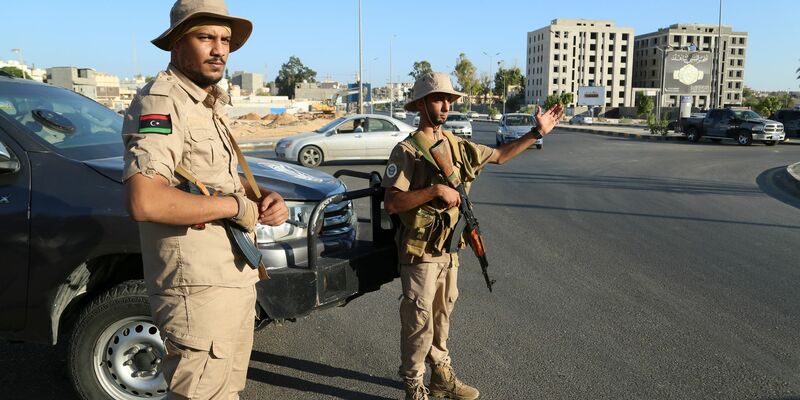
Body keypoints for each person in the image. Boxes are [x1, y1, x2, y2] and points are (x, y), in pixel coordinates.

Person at [122, 0, 288, 399]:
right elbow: (146, 200)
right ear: (177, 44)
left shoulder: (208, 102)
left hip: (231, 277)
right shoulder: (162, 101)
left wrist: (262, 196)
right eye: (206, 37)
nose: (220, 49)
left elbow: (213, 180)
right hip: (196, 288)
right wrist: (235, 207)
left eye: (225, 39)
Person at [382, 72, 563, 400]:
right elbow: (392, 203)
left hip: (449, 251)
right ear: (421, 104)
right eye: (439, 99)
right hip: (420, 253)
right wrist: (434, 190)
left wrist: (537, 132)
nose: (446, 106)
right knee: (418, 323)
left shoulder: (455, 145)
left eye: (449, 100)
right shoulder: (406, 150)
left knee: (442, 318)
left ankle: (440, 377)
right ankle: (414, 387)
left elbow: (500, 155)